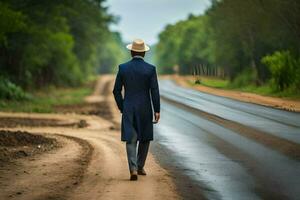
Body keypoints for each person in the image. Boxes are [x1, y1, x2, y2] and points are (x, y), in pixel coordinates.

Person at [113, 39, 160, 181]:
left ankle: (133, 169)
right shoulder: (150, 69)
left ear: (131, 52)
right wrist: (156, 110)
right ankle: (140, 166)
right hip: (145, 108)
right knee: (145, 138)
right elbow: (154, 90)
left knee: (131, 138)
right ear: (144, 53)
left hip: (129, 107)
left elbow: (116, 91)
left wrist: (123, 106)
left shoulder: (123, 68)